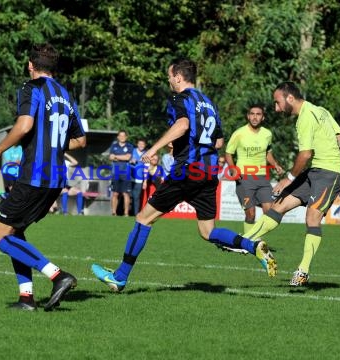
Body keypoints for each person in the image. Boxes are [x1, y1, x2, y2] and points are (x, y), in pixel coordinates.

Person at [91, 58, 277, 293]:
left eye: (170, 76)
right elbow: (218, 140)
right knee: (207, 231)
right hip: (209, 171)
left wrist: (154, 148)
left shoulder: (181, 98)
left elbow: (182, 125)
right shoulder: (209, 103)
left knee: (143, 218)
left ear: (178, 77)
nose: (169, 80)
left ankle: (119, 277)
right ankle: (253, 246)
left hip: (187, 169)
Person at [0, 43, 86, 311]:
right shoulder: (65, 95)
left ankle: (57, 276)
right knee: (17, 232)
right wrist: (52, 143)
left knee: (0, 237)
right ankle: (26, 298)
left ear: (30, 65)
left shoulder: (31, 88)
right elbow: (80, 141)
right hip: (56, 178)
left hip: (34, 175)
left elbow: (24, 125)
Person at [242, 81, 340, 287]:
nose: (276, 108)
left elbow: (305, 154)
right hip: (315, 170)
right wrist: (326, 150)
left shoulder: (305, 117)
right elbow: (339, 136)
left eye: (278, 102)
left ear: (290, 98)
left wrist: (289, 177)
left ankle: (303, 271)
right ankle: (244, 240)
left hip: (329, 172)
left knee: (312, 217)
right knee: (280, 205)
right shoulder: (320, 110)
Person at [224, 104, 284, 234]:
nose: (255, 117)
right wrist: (233, 169)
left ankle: (250, 237)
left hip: (262, 178)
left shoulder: (267, 134)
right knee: (250, 214)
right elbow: (228, 153)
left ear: (263, 117)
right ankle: (248, 241)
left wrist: (276, 165)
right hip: (244, 178)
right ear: (248, 116)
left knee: (270, 213)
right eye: (252, 114)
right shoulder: (239, 133)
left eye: (258, 114)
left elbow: (268, 153)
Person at [109, 130, 134, 216]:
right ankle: (113, 212)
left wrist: (116, 156)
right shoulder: (114, 146)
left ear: (126, 137)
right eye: (120, 135)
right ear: (118, 137)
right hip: (115, 173)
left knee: (125, 193)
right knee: (115, 193)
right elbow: (110, 157)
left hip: (126, 173)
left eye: (124, 136)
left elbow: (128, 157)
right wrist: (121, 157)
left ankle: (126, 213)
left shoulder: (130, 146)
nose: (122, 137)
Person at [130, 139, 148, 215]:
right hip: (129, 177)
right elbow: (127, 159)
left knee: (136, 197)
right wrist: (130, 160)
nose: (141, 145)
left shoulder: (146, 154)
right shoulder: (132, 151)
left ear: (145, 145)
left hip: (139, 178)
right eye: (139, 144)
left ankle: (135, 214)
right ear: (137, 144)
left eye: (143, 144)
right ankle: (124, 212)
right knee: (127, 195)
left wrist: (145, 181)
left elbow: (146, 168)